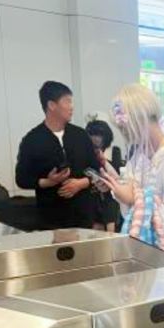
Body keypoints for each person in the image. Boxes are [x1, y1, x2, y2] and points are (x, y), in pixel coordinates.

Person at [98, 84, 164, 258]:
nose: (124, 133)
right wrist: (115, 186)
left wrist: (135, 199)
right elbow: (128, 196)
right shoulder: (138, 156)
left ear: (139, 119)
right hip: (141, 248)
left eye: (124, 127)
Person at [15, 81, 99, 229]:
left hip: (83, 217)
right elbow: (21, 179)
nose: (71, 107)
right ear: (51, 105)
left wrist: (81, 183)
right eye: (67, 101)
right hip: (51, 220)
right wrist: (48, 182)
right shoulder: (32, 139)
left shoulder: (80, 135)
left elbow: (97, 169)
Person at [86, 119, 121, 232]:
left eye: (99, 135)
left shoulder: (114, 150)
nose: (95, 138)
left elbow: (117, 172)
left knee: (110, 206)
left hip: (110, 194)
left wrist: (103, 159)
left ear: (106, 136)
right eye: (92, 134)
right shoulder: (86, 151)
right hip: (93, 193)